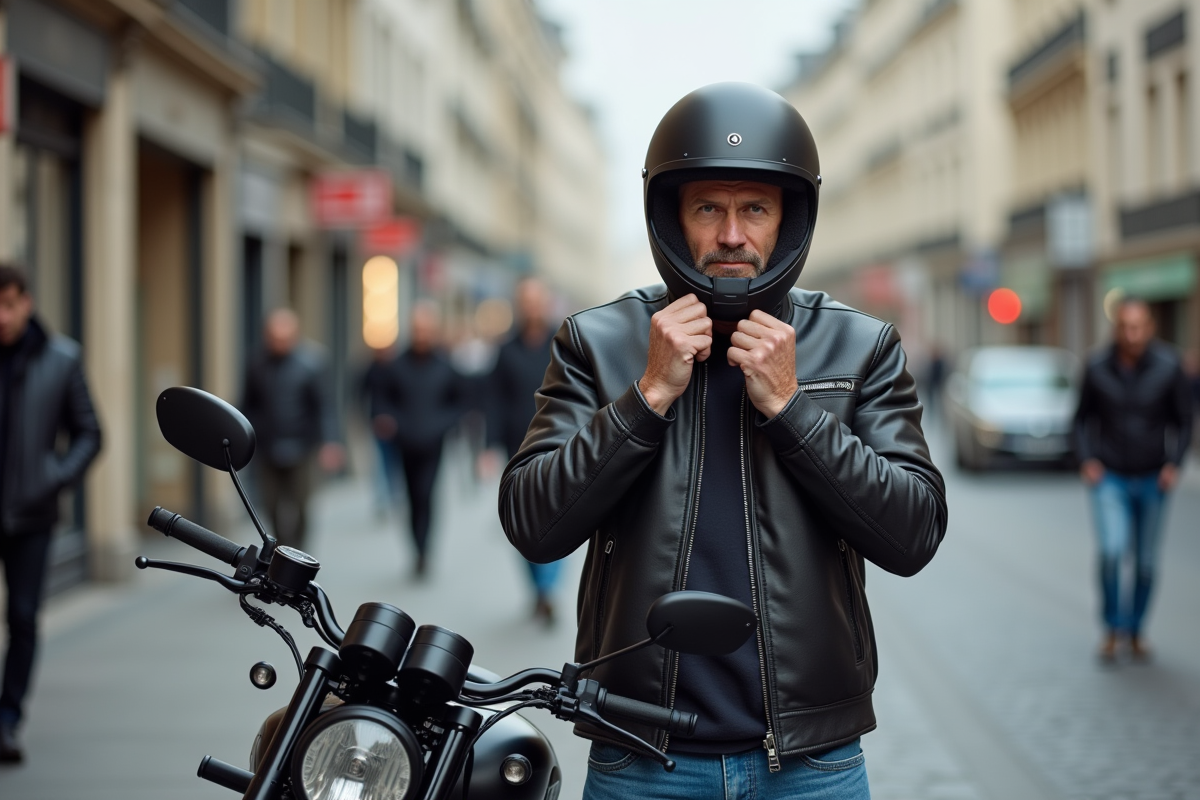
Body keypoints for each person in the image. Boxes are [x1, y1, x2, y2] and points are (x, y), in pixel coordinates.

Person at [498, 83, 947, 798]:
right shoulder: (597, 340)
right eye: (709, 208)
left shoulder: (861, 346)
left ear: (788, 219)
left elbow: (913, 532)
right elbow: (533, 522)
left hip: (811, 762)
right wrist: (648, 395)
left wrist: (793, 409)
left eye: (755, 209)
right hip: (639, 756)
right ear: (673, 219)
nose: (732, 235)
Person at [0, 264, 101, 763]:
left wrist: (53, 476)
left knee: (22, 617)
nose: (1, 317)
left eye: (8, 305)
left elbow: (90, 433)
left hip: (32, 515)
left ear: (27, 303)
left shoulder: (61, 359)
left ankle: (7, 718)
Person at [1073, 296, 1192, 663]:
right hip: (1110, 477)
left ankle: (1136, 630)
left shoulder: (1169, 366)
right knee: (1111, 552)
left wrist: (1174, 464)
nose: (1132, 335)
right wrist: (1087, 460)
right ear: (1116, 328)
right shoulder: (1096, 366)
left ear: (1150, 328)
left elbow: (1185, 420)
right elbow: (1080, 419)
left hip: (1154, 477)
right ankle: (1112, 629)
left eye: (1138, 327)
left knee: (1145, 563)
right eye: (1125, 327)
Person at [486, 277, 562, 624]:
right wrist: (488, 447)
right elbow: (494, 401)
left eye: (536, 301)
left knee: (560, 516)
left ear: (545, 304)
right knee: (522, 521)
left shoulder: (564, 342)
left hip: (559, 444)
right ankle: (538, 587)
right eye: (525, 301)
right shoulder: (506, 350)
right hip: (516, 447)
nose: (531, 307)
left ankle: (547, 588)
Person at [373, 302, 465, 577]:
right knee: (412, 497)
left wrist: (443, 425)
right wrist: (389, 420)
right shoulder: (396, 365)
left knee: (426, 494)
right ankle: (416, 548)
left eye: (426, 329)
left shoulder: (446, 366)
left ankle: (425, 550)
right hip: (405, 443)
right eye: (417, 329)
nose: (422, 334)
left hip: (433, 443)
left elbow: (459, 402)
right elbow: (382, 399)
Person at [241, 309, 343, 551]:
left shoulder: (313, 362)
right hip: (267, 446)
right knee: (271, 505)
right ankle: (282, 549)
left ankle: (299, 551)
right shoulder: (257, 363)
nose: (280, 343)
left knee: (301, 504)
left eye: (285, 338)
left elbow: (325, 406)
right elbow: (247, 404)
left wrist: (330, 442)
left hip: (302, 446)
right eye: (275, 338)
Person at [360, 345, 402, 518]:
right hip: (378, 423)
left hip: (397, 425)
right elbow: (362, 394)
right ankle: (384, 497)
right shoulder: (371, 370)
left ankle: (392, 495)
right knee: (382, 462)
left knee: (393, 461)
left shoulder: (397, 370)